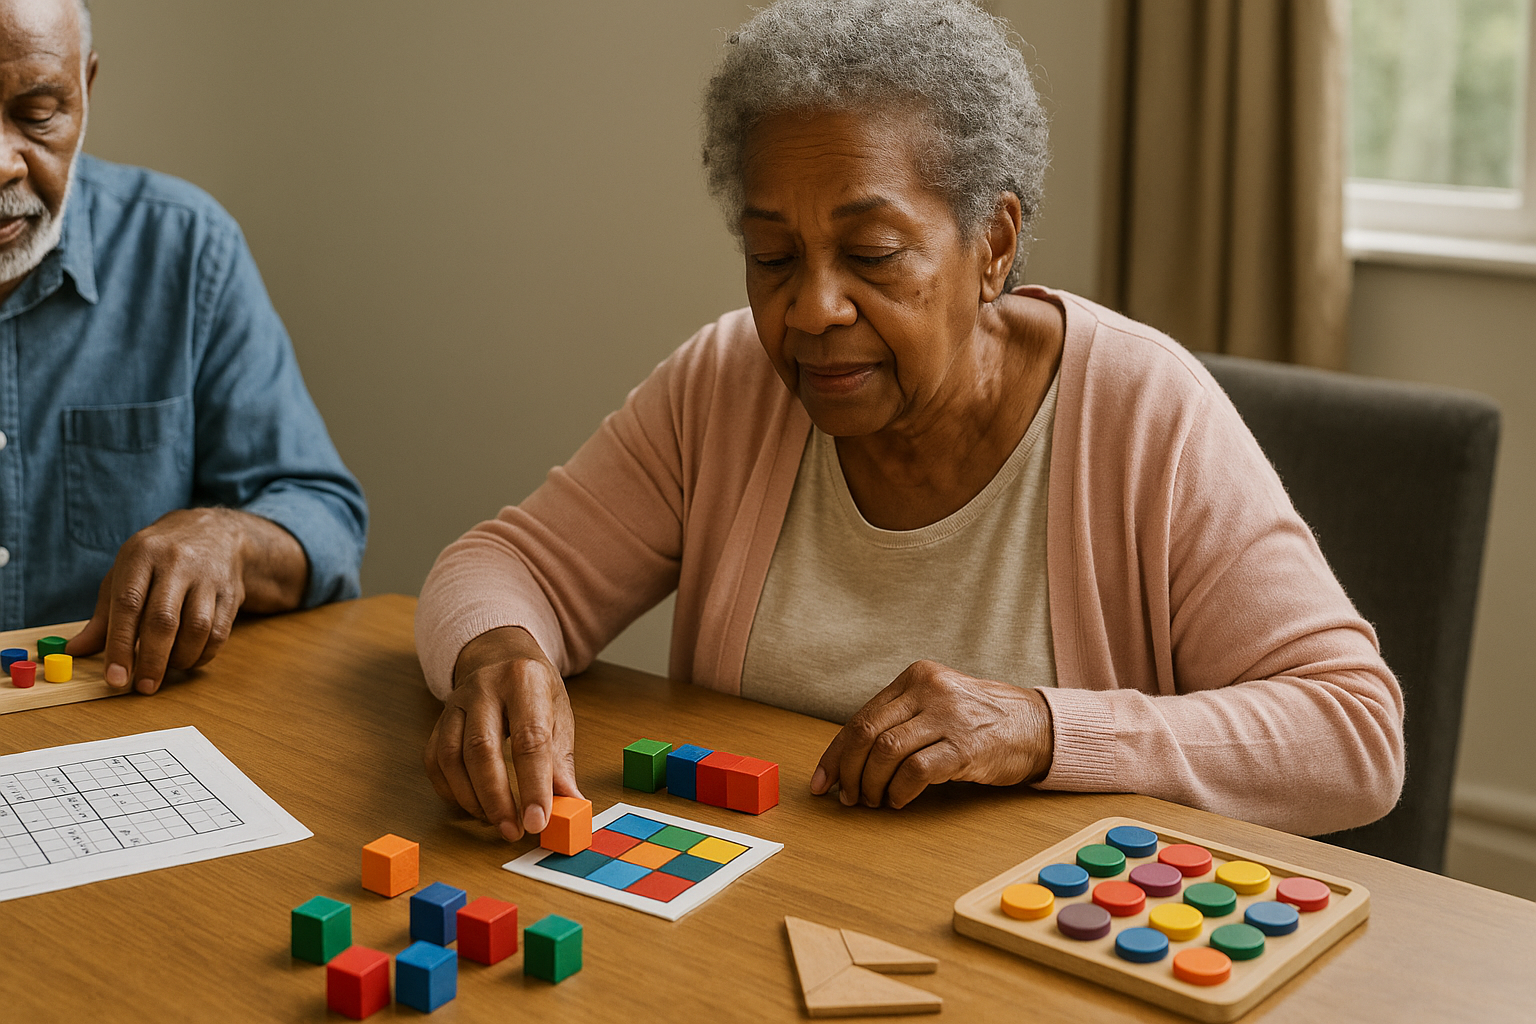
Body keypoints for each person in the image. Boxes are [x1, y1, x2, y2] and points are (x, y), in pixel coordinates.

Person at [416, 0, 1403, 843]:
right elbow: (501, 565)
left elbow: (1354, 733)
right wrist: (501, 651)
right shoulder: (728, 382)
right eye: (772, 256)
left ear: (993, 244)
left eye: (873, 253)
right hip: (751, 920)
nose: (811, 310)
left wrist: (1041, 728)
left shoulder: (1145, 413)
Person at [0, 0, 367, 692]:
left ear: (87, 86)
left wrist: (227, 537)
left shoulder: (188, 248)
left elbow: (326, 523)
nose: (1, 166)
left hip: (122, 730)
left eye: (38, 112)